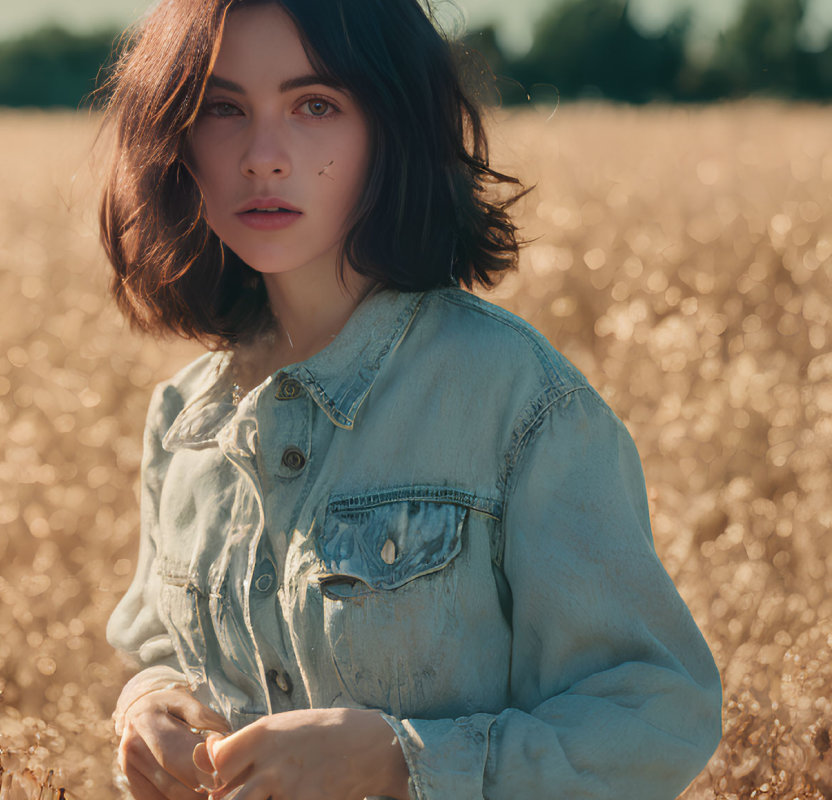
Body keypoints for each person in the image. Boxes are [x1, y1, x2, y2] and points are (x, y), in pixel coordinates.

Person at [99, 0, 723, 798]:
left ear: (391, 128)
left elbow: (659, 714)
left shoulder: (517, 400)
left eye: (314, 105)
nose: (262, 155)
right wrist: (151, 707)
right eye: (222, 109)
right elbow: (159, 652)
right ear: (174, 141)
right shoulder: (183, 421)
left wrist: (400, 759)